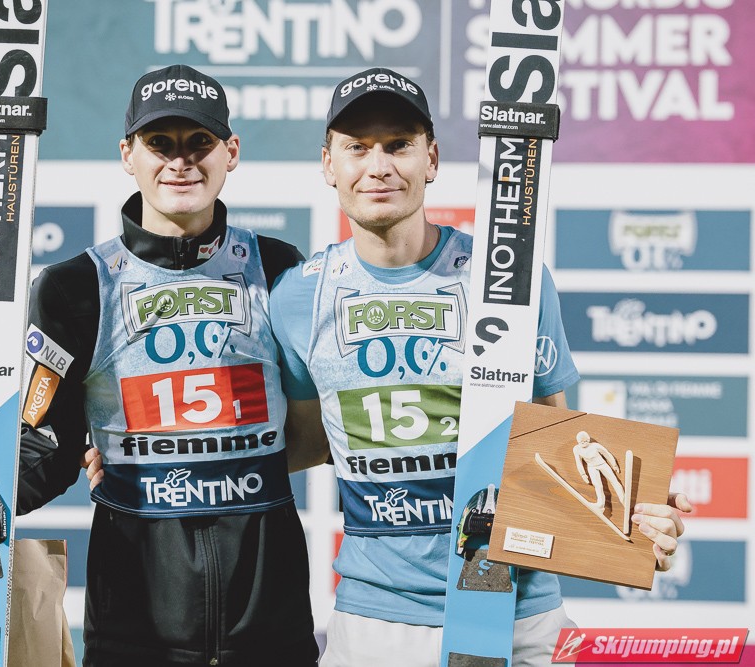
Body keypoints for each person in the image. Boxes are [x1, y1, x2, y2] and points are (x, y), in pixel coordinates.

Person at [267, 67, 692, 667]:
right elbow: (304, 442)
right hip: (377, 621)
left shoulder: (510, 278)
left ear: (432, 159)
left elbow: (556, 444)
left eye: (399, 145)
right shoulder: (298, 296)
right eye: (357, 147)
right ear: (328, 164)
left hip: (516, 610)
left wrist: (632, 516)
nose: (378, 166)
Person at [0, 64, 319, 667]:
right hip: (136, 628)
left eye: (199, 142)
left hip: (270, 623)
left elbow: (320, 429)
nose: (180, 162)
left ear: (231, 152)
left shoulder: (281, 268)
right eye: (160, 143)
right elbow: (49, 448)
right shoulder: (75, 287)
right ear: (128, 154)